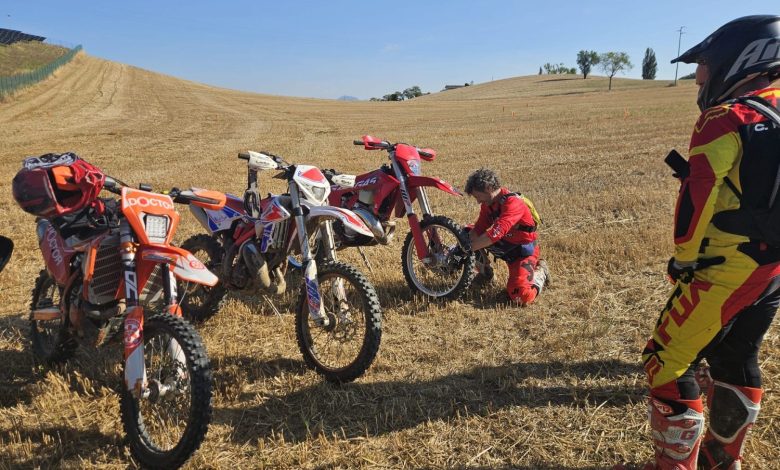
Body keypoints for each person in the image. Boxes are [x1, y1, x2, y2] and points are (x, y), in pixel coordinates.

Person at [626, 15, 780, 470]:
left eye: (705, 67)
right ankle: (721, 458)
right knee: (735, 354)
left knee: (664, 360)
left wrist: (684, 261)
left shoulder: (726, 118)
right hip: (772, 270)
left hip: (726, 267)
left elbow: (695, 203)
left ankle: (673, 466)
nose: (699, 77)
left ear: (741, 60)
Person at [464, 168, 548, 306]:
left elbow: (496, 233)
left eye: (478, 196)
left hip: (521, 252)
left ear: (489, 188)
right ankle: (486, 274)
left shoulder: (513, 203)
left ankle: (541, 272)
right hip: (504, 244)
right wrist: (463, 244)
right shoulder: (489, 204)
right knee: (467, 232)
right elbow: (478, 229)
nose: (478, 201)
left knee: (520, 296)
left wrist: (467, 249)